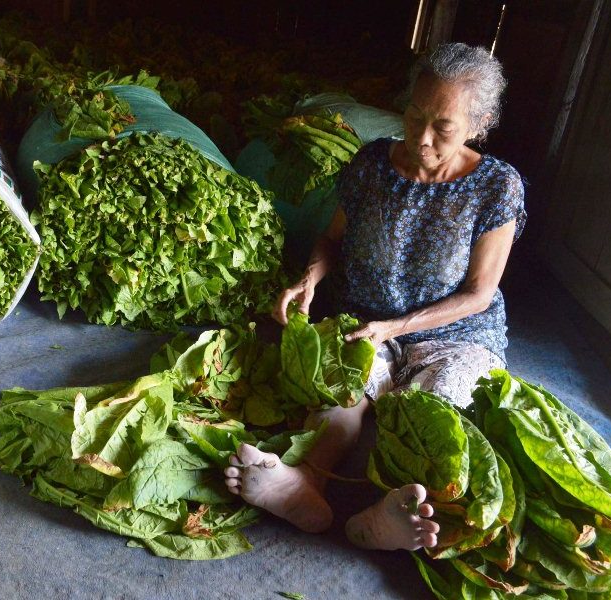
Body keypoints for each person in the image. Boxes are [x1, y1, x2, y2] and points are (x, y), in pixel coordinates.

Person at [224, 42, 526, 552]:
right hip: (366, 319)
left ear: (479, 123)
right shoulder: (371, 164)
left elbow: (479, 294)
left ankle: (388, 512)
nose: (421, 138)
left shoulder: (497, 186)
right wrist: (310, 278)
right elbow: (330, 241)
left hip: (455, 332)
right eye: (414, 116)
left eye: (443, 128)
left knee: (435, 407)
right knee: (343, 392)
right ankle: (305, 485)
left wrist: (399, 329)